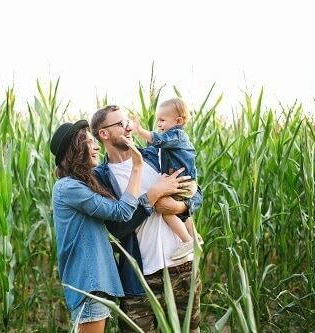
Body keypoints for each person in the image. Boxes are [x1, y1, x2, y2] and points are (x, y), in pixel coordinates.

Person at [50, 119, 188, 333]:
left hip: (95, 283)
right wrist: (138, 168)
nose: (95, 146)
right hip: (89, 283)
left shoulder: (79, 185)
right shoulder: (68, 188)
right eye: (88, 142)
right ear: (75, 150)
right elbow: (121, 212)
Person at [90, 106, 203, 333]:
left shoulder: (155, 154)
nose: (129, 127)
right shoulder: (100, 178)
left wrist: (179, 205)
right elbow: (118, 229)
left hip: (183, 269)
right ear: (104, 134)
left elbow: (195, 190)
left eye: (128, 122)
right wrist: (152, 197)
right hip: (140, 278)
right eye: (121, 124)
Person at [131, 97, 201, 260]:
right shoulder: (174, 139)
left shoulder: (176, 135)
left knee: (164, 209)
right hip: (185, 182)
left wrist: (140, 131)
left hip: (182, 182)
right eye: (158, 120)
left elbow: (158, 140)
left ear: (178, 121)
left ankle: (187, 240)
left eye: (162, 120)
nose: (159, 124)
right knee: (182, 211)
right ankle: (194, 236)